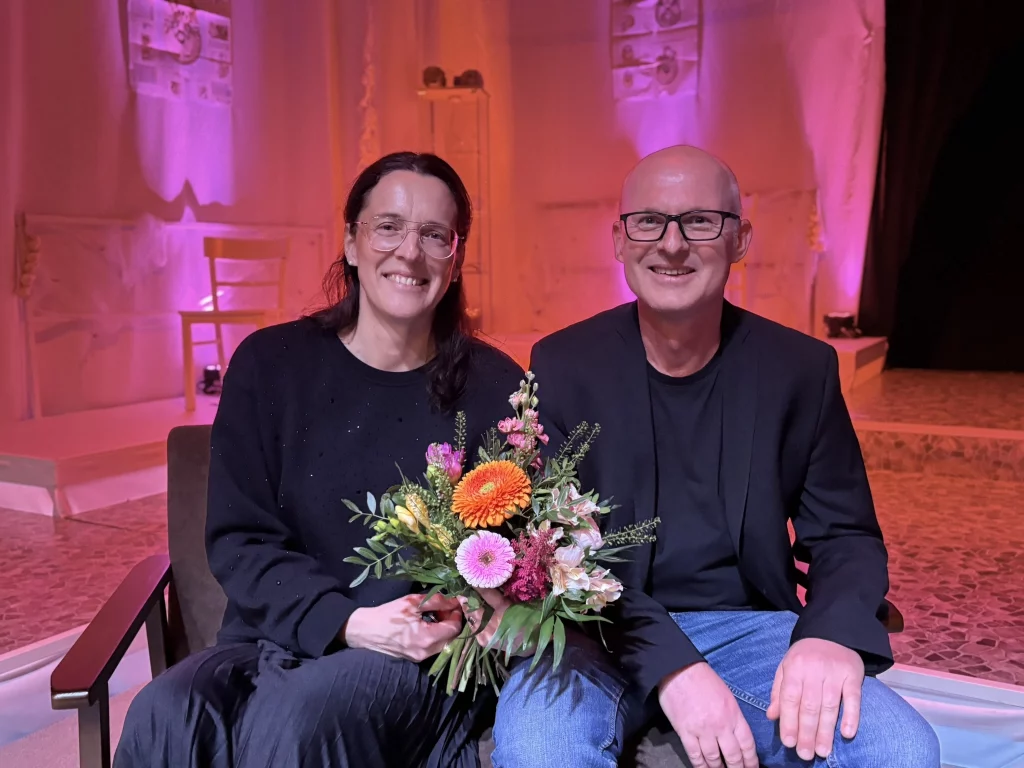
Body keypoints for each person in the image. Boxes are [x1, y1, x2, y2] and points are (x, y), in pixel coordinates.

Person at [483, 146, 940, 768]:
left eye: (699, 221)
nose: (672, 244)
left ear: (740, 239)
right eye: (649, 221)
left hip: (750, 629)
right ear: (619, 240)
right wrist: (674, 667)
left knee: (901, 751)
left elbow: (845, 536)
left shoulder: (798, 370)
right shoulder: (565, 365)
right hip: (598, 629)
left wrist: (831, 634)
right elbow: (560, 548)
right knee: (540, 749)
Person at [115, 151, 524, 768]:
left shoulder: (496, 388)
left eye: (434, 235)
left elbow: (511, 555)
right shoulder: (270, 365)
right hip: (273, 636)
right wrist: (344, 621)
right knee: (165, 709)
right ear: (352, 243)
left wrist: (461, 614)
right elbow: (240, 539)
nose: (409, 252)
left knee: (303, 720)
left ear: (455, 257)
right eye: (388, 227)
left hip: (417, 655)